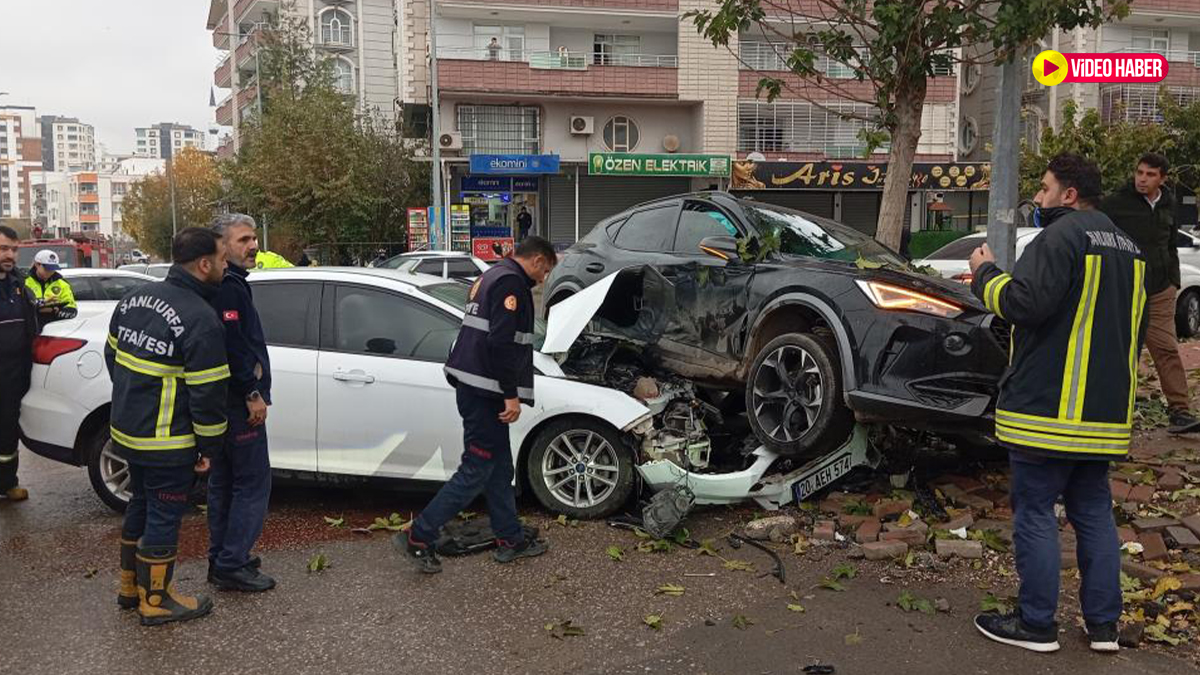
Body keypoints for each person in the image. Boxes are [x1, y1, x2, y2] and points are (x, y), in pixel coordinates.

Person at [967, 153, 1146, 654]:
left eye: (1044, 189)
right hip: (1104, 416)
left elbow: (1022, 305)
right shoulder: (1131, 249)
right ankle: (1104, 627)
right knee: (1094, 515)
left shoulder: (1060, 238)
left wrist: (985, 273)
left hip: (1048, 411)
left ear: (1069, 194)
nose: (1038, 198)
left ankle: (1036, 624)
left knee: (1035, 513)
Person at [398, 236, 558, 573]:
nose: (544, 278)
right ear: (538, 260)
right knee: (476, 469)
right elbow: (500, 343)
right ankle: (419, 535)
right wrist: (510, 395)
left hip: (476, 387)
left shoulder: (491, 275)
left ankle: (510, 539)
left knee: (499, 469)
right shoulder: (511, 283)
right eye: (546, 271)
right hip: (486, 392)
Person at [107, 227, 230, 626]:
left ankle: (130, 588)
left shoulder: (133, 299)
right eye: (223, 259)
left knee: (140, 503)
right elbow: (208, 394)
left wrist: (136, 402)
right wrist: (209, 448)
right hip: (167, 441)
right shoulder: (201, 319)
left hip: (127, 432)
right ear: (204, 264)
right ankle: (157, 600)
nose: (227, 266)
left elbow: (113, 357)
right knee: (164, 514)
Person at [1101, 153, 1200, 434]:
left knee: (1166, 348)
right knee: (1124, 351)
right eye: (1140, 172)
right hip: (1126, 290)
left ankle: (1180, 411)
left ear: (1162, 179)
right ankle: (1115, 412)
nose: (1142, 179)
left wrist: (1173, 280)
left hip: (1160, 290)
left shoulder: (1169, 203)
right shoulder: (1116, 203)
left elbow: (1170, 245)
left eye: (1150, 174)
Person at [207, 215, 276, 593]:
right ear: (222, 246)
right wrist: (252, 393)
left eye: (254, 238)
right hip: (238, 404)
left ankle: (222, 558)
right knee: (251, 484)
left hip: (222, 403)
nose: (254, 246)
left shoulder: (226, 284)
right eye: (244, 240)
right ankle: (232, 563)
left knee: (224, 483)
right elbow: (233, 346)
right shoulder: (229, 288)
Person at [0, 226, 38, 502]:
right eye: (3, 249)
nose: (10, 255)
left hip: (14, 374)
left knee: (8, 430)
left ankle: (7, 483)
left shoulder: (19, 284)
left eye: (14, 250)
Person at [25, 249, 77, 322]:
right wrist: (39, 306)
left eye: (53, 269)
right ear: (37, 265)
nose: (50, 272)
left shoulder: (62, 284)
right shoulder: (24, 282)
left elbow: (71, 305)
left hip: (53, 325)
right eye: (47, 269)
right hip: (30, 324)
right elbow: (20, 306)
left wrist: (62, 310)